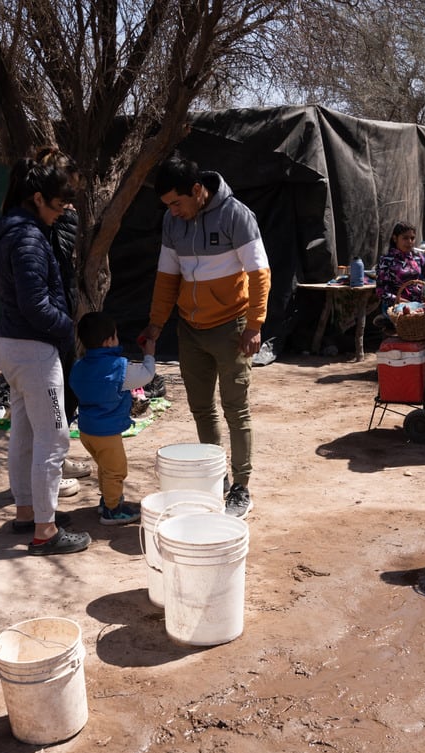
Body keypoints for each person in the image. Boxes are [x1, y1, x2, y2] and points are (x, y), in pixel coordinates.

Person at [141, 154, 271, 519]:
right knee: (201, 408)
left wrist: (254, 325)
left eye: (177, 202)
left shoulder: (236, 215)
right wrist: (156, 324)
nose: (172, 211)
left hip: (231, 329)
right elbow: (167, 278)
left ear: (197, 190)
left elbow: (260, 273)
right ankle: (220, 480)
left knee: (236, 409)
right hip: (190, 330)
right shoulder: (172, 221)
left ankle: (242, 487)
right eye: (167, 205)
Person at [0, 156, 91, 554]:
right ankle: (45, 532)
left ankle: (27, 512)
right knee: (54, 439)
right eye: (58, 205)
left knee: (26, 434)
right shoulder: (29, 239)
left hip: (13, 346)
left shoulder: (11, 231)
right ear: (37, 198)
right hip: (34, 351)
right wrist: (69, 330)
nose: (63, 212)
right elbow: (36, 306)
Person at [34, 146, 93, 488]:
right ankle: (48, 482)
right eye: (66, 196)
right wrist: (60, 328)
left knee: (59, 402)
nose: (70, 203)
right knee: (51, 410)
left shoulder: (46, 221)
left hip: (56, 320)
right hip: (45, 331)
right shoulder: (35, 229)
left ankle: (51, 469)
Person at [69, 312, 158, 525]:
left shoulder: (79, 366)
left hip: (86, 430)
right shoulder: (118, 367)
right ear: (109, 341)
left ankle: (107, 499)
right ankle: (112, 509)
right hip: (107, 433)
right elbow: (147, 374)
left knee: (105, 467)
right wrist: (149, 354)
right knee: (117, 470)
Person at [374, 222, 425, 323]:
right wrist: (402, 301)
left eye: (412, 238)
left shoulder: (417, 257)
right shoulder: (387, 261)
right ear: (395, 238)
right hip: (396, 307)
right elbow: (380, 291)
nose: (409, 242)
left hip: (418, 305)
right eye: (405, 238)